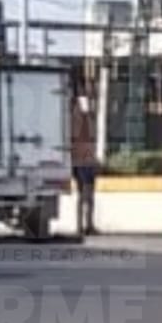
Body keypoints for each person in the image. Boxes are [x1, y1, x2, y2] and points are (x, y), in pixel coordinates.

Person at [70, 94, 99, 236]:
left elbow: (93, 138)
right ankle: (80, 226)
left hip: (89, 161)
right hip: (80, 162)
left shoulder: (90, 120)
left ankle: (89, 224)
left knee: (90, 196)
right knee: (83, 195)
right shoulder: (76, 120)